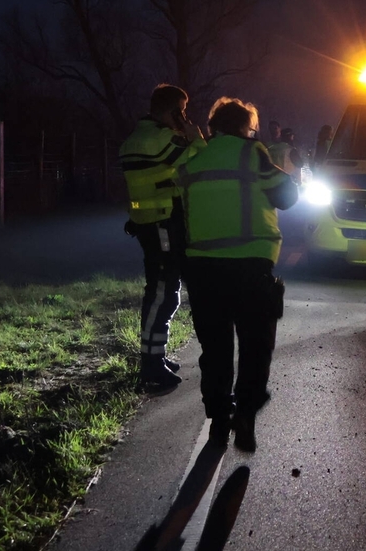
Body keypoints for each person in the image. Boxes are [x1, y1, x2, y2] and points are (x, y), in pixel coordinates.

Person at [179, 97, 298, 451]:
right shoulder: (252, 154)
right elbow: (287, 196)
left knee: (214, 349)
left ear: (213, 127)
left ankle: (218, 419)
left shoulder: (195, 158)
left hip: (202, 269)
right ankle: (245, 414)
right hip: (251, 266)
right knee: (255, 347)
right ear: (246, 128)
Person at [119, 84, 205, 389]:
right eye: (182, 110)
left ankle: (156, 355)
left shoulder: (136, 137)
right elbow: (200, 162)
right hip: (161, 225)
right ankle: (151, 366)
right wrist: (196, 137)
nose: (184, 116)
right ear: (172, 111)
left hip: (149, 223)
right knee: (162, 293)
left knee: (164, 290)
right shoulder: (160, 139)